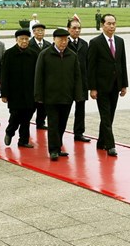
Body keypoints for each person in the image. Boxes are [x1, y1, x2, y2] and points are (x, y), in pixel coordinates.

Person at [34, 28, 83, 160]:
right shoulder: (45, 54)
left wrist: (78, 95)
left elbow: (77, 77)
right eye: (60, 39)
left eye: (65, 39)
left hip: (67, 97)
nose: (63, 42)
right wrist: (38, 95)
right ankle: (53, 150)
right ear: (54, 39)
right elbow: (39, 76)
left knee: (62, 124)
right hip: (50, 97)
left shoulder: (72, 55)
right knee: (53, 124)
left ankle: (58, 146)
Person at [87, 13, 129, 157]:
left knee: (109, 116)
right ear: (102, 25)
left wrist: (124, 85)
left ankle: (101, 141)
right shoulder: (95, 42)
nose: (111, 26)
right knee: (105, 116)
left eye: (113, 23)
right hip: (101, 86)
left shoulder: (120, 41)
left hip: (115, 85)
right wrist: (92, 88)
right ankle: (110, 145)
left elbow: (122, 64)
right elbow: (90, 67)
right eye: (108, 24)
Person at [1, 29, 38, 148]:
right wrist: (4, 93)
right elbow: (4, 74)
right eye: (21, 39)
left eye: (26, 39)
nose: (24, 41)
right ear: (16, 40)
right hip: (14, 92)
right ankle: (9, 131)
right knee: (15, 115)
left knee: (27, 117)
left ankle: (23, 140)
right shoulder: (9, 53)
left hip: (29, 92)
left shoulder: (33, 54)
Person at [67, 17, 91, 142]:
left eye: (79, 28)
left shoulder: (84, 44)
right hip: (67, 83)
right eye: (74, 28)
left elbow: (88, 65)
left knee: (80, 110)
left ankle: (79, 133)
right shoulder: (64, 43)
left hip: (81, 83)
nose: (77, 31)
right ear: (68, 29)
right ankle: (59, 133)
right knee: (64, 110)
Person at [28, 22, 51, 130]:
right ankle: (26, 120)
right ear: (33, 32)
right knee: (32, 104)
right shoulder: (29, 44)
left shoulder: (48, 45)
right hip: (32, 77)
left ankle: (40, 122)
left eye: (42, 30)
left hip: (45, 78)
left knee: (43, 103)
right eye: (38, 30)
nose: (40, 32)